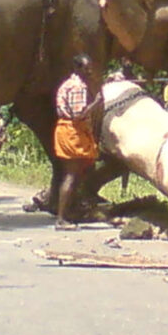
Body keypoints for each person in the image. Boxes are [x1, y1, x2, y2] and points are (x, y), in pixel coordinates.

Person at [53, 54, 104, 229]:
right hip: (73, 131)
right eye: (86, 67)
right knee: (71, 175)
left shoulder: (66, 84)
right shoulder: (77, 87)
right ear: (77, 68)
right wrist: (96, 103)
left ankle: (69, 211)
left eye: (90, 67)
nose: (89, 70)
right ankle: (61, 218)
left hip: (66, 130)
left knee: (76, 172)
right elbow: (78, 115)